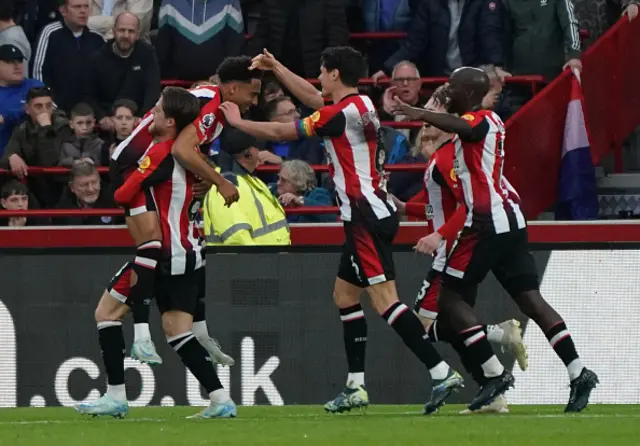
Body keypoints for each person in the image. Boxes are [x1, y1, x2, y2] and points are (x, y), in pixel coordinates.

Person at [220, 46, 468, 414]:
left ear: (335, 74)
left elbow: (280, 129)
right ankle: (355, 386)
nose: (318, 78)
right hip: (370, 212)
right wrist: (276, 66)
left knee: (386, 302)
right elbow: (312, 97)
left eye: (322, 71)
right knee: (344, 296)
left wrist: (238, 123)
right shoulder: (362, 104)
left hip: (366, 215)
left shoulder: (335, 116)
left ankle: (441, 372)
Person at [387, 66, 598, 412]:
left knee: (450, 302)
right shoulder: (486, 123)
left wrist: (416, 113)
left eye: (454, 86)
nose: (449, 90)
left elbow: (462, 126)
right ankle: (578, 371)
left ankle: (494, 373)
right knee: (531, 301)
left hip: (486, 222)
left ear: (468, 93)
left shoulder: (479, 121)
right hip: (510, 221)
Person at [75, 87, 236, 419]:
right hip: (190, 251)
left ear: (170, 121)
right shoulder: (197, 156)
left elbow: (122, 193)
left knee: (106, 314)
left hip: (162, 252)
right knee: (179, 331)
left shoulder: (163, 152)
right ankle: (221, 399)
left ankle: (116, 396)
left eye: (158, 111)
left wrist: (136, 179)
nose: (151, 114)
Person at [106, 56, 260, 366]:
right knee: (151, 245)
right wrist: (219, 182)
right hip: (133, 167)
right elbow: (180, 149)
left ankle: (199, 331)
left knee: (191, 243)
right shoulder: (211, 104)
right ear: (232, 88)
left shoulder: (212, 106)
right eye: (252, 94)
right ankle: (141, 337)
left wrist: (201, 176)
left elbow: (189, 150)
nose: (254, 101)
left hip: (160, 169)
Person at [392, 86, 528, 414]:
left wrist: (440, 236)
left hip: (455, 249)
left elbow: (464, 208)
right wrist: (402, 208)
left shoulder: (448, 161)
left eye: (429, 123)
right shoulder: (443, 162)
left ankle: (497, 341)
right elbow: (436, 208)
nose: (424, 130)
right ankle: (492, 392)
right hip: (455, 245)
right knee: (452, 323)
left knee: (427, 323)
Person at [204, 128, 291, 246]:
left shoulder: (252, 181)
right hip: (253, 262)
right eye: (257, 148)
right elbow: (236, 237)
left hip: (272, 259)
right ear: (248, 155)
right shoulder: (223, 186)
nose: (260, 152)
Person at [87, 12, 160, 127]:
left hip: (138, 119)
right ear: (113, 31)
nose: (126, 35)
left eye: (131, 31)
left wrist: (142, 117)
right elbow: (90, 94)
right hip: (109, 120)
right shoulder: (98, 58)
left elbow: (152, 89)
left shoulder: (147, 53)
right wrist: (102, 117)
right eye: (122, 30)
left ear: (138, 34)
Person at [31, 0, 104, 113]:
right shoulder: (49, 33)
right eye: (77, 7)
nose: (83, 11)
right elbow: (38, 73)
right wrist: (52, 106)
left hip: (90, 115)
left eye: (86, 6)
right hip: (57, 113)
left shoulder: (97, 39)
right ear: (63, 10)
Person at [0, 44, 43, 154]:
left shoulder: (35, 86)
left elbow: (43, 112)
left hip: (33, 155)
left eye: (19, 61)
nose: (17, 66)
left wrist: (6, 116)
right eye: (10, 61)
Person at [272, 159, 336, 224]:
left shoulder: (317, 193)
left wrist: (299, 200)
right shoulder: (273, 190)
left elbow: (331, 217)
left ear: (299, 182)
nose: (278, 183)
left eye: (284, 180)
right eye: (279, 178)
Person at [59, 102, 103, 167]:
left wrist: (93, 161)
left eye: (89, 122)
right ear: (71, 124)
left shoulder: (101, 144)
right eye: (80, 123)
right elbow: (58, 164)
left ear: (94, 122)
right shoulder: (65, 145)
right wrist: (72, 161)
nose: (85, 127)